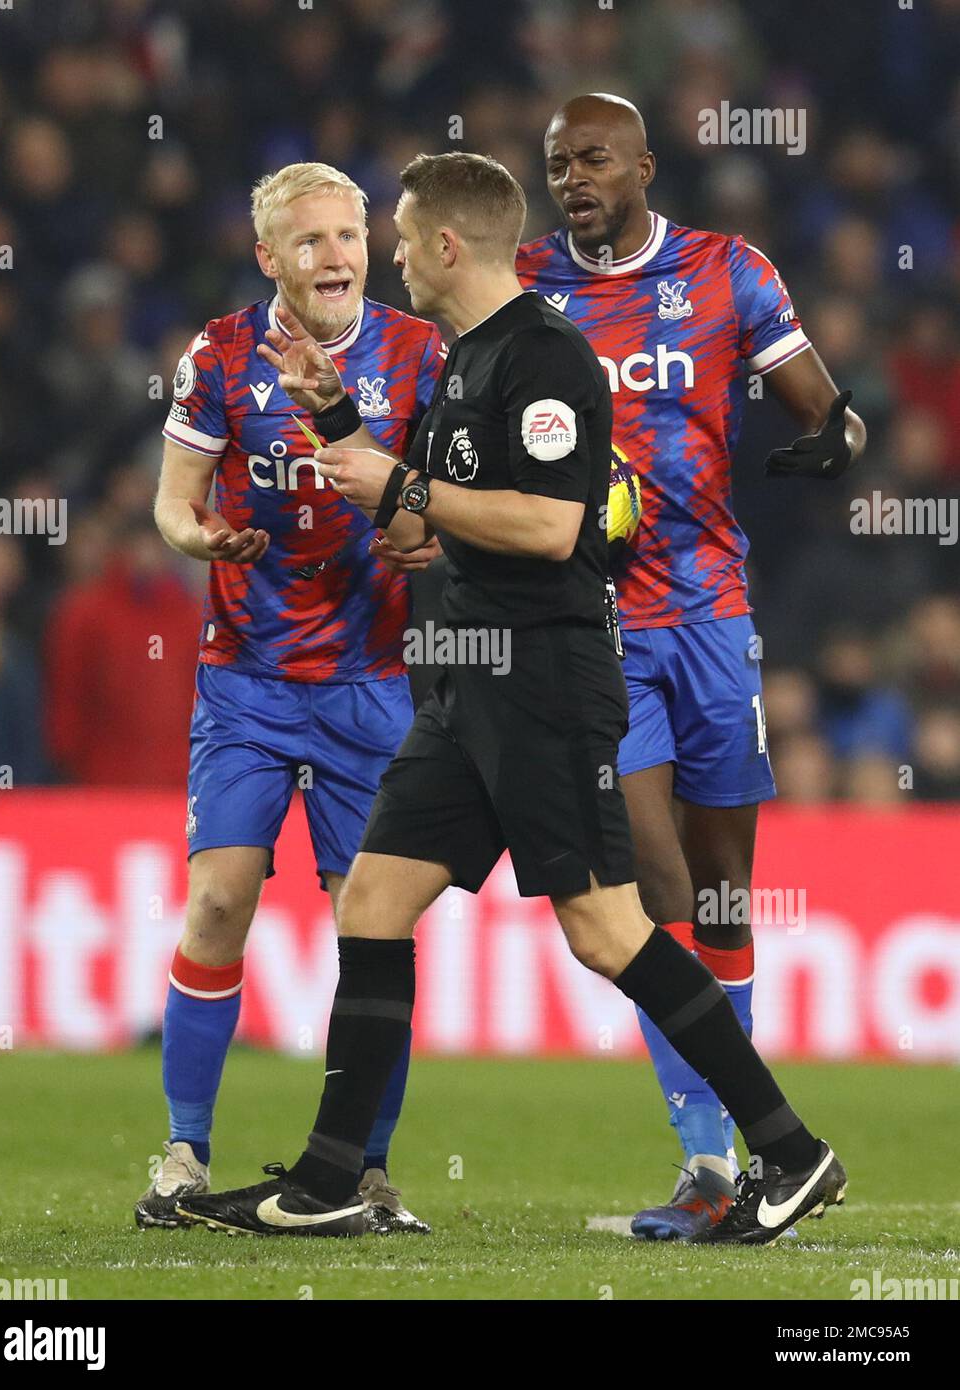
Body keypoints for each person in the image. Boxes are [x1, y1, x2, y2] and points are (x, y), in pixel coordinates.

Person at [177, 152, 847, 1246]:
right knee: (373, 903)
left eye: (397, 234)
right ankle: (331, 1178)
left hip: (541, 683)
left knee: (604, 928)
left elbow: (547, 527)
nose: (387, 254)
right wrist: (338, 413)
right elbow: (419, 529)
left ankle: (788, 1149)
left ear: (446, 245)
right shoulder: (465, 363)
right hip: (457, 689)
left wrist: (397, 483)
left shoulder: (543, 359)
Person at [517, 93, 867, 1239]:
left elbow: (823, 406)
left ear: (644, 167)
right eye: (559, 163)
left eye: (595, 159)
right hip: (592, 624)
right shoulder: (523, 283)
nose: (575, 177)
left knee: (721, 893)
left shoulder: (727, 271)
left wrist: (833, 441)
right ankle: (713, 1157)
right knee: (658, 890)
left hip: (713, 618)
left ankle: (751, 1160)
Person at [135, 162, 445, 1235]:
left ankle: (365, 1167)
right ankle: (183, 1149)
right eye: (308, 240)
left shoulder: (419, 355)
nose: (335, 256)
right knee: (219, 900)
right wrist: (203, 538)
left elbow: (446, 507)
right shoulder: (219, 355)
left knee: (374, 931)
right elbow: (172, 504)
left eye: (348, 235)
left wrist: (426, 540)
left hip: (373, 683)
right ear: (269, 257)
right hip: (249, 680)